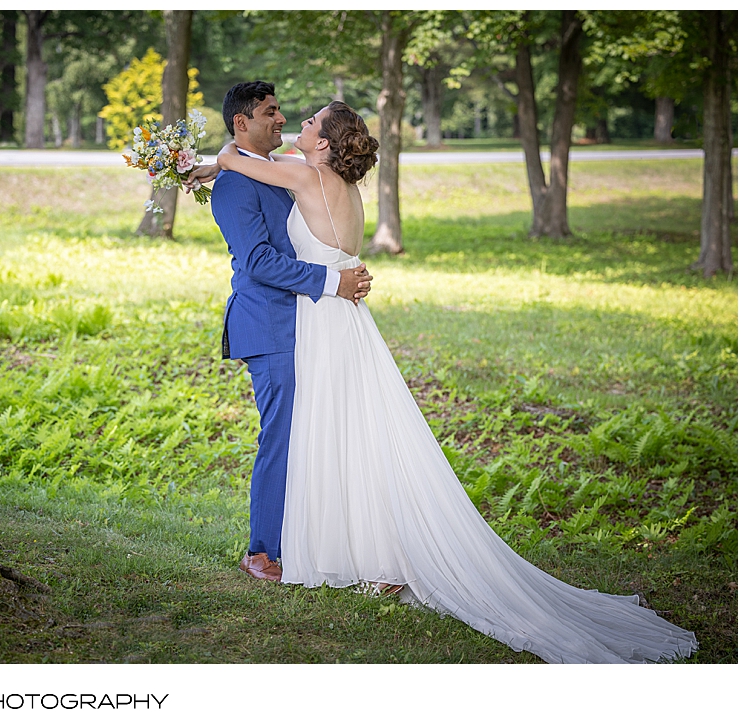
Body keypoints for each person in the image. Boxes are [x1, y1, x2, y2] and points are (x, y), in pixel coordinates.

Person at [186, 100, 699, 664]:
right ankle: (368, 552)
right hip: (350, 323)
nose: (298, 125)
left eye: (309, 122)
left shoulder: (302, 174)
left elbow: (243, 158)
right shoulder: (336, 183)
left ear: (326, 145)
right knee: (360, 435)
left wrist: (211, 160)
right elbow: (257, 163)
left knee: (327, 433)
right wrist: (220, 167)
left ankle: (345, 552)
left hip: (324, 320)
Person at [206, 82, 373, 583]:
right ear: (242, 122)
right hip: (271, 323)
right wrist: (334, 278)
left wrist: (218, 158)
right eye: (271, 113)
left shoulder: (291, 173)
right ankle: (263, 551)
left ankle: (327, 541)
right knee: (281, 436)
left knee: (320, 434)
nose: (282, 120)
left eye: (287, 115)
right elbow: (257, 261)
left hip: (314, 322)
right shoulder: (237, 184)